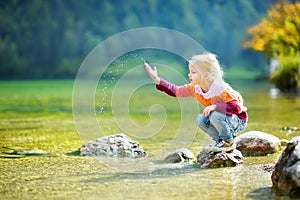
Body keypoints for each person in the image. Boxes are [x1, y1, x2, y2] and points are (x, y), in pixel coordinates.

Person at [144, 52, 248, 152]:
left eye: (193, 72)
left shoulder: (221, 89)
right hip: (222, 119)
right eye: (190, 72)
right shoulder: (195, 89)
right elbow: (175, 91)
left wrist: (215, 106)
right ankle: (220, 141)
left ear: (206, 75)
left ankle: (228, 141)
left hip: (237, 121)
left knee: (215, 115)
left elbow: (236, 107)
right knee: (200, 119)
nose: (190, 75)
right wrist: (157, 80)